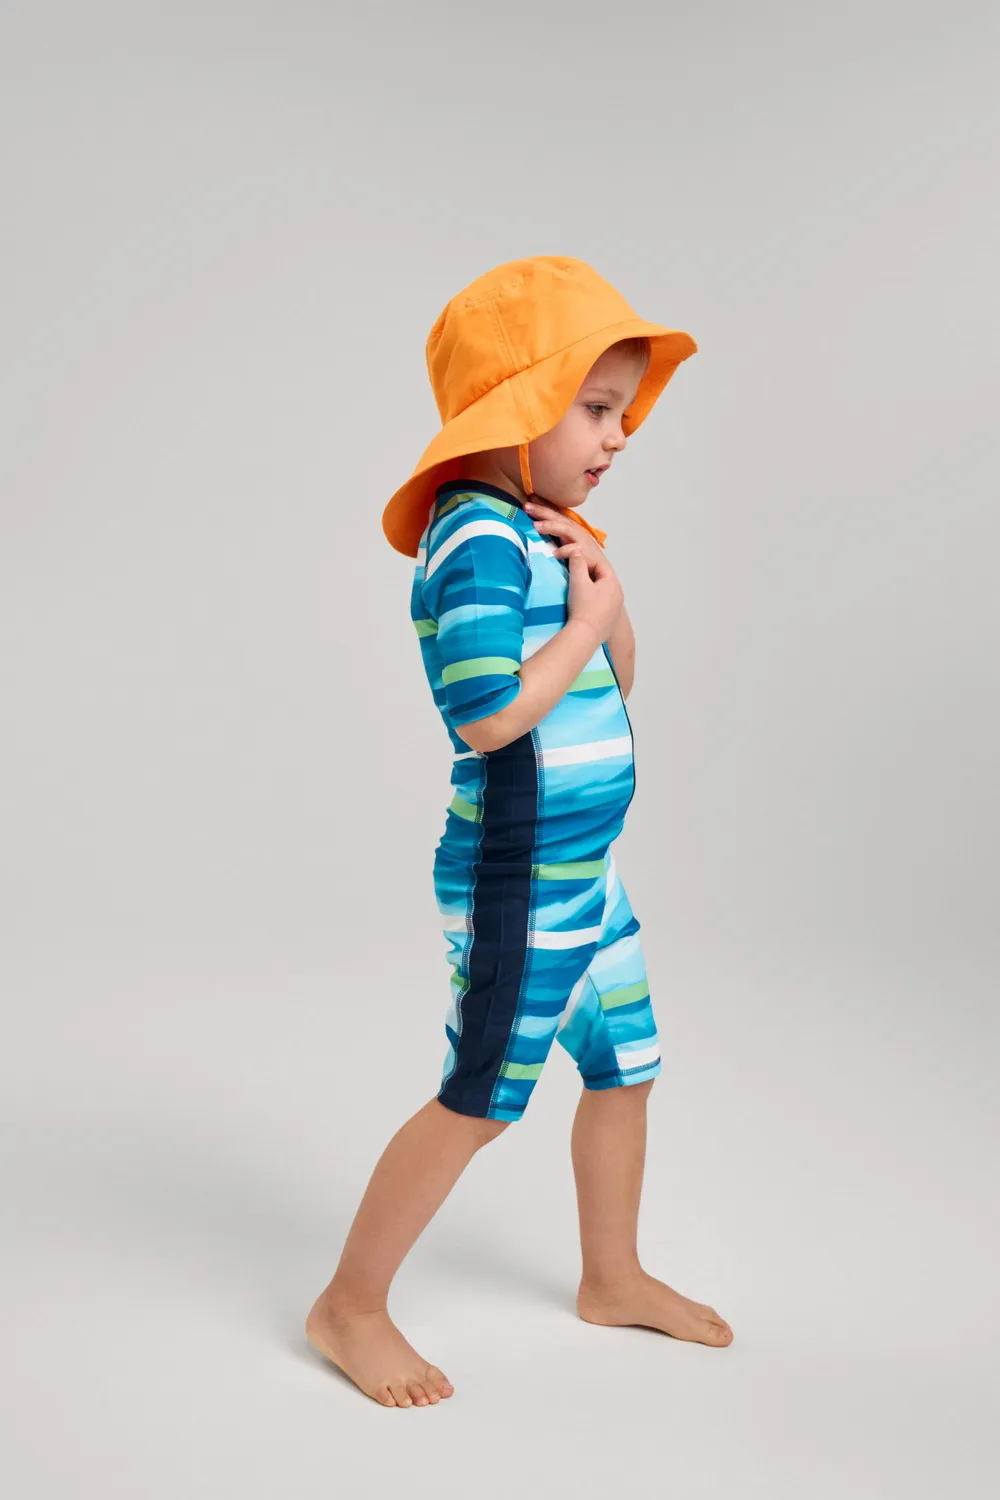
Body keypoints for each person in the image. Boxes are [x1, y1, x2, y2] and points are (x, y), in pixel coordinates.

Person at [306, 255, 733, 1408]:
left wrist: (605, 597)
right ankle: (349, 1305)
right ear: (519, 404)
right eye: (595, 408)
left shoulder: (544, 529)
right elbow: (487, 715)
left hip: (587, 873)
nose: (618, 435)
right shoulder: (475, 540)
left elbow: (616, 679)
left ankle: (611, 1276)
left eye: (623, 412)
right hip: (518, 879)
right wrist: (583, 618)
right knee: (480, 1097)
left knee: (626, 1068)